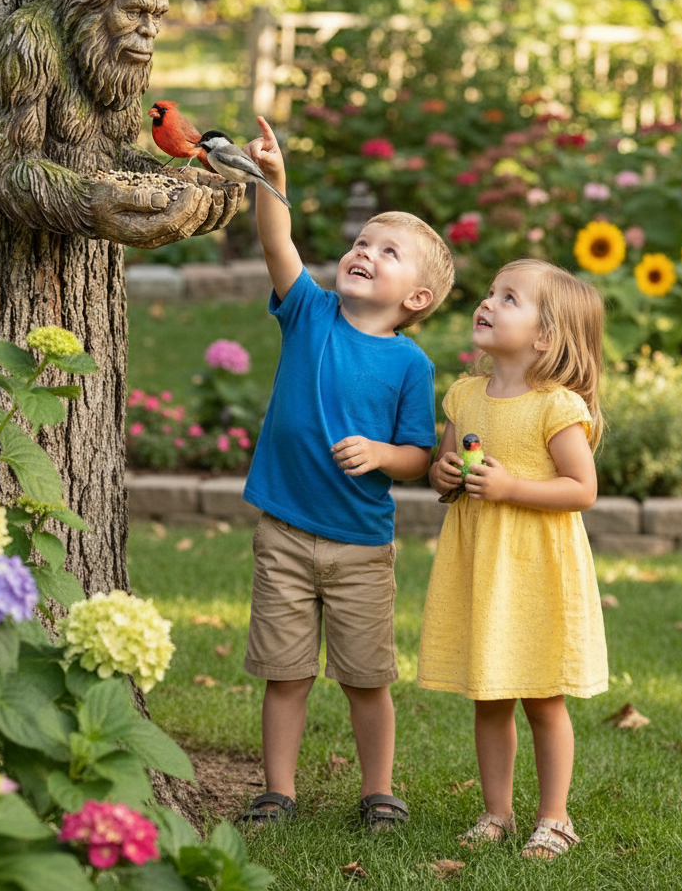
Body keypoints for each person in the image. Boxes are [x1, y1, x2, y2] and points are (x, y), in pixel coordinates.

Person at [238, 116, 455, 830]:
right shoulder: (310, 314)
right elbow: (278, 241)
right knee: (286, 672)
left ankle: (379, 790)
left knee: (367, 679)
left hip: (362, 547)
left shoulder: (410, 366)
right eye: (363, 242)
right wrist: (273, 180)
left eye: (387, 252)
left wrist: (381, 454)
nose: (364, 252)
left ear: (415, 299)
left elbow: (420, 458)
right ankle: (278, 791)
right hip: (286, 534)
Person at [417, 258, 608, 860]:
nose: (489, 303)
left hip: (535, 574)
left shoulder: (556, 407)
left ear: (544, 336)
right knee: (490, 694)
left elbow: (582, 490)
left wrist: (512, 488)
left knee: (543, 699)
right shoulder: (465, 395)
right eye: (491, 293)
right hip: (483, 568)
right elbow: (446, 475)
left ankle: (555, 818)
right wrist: (442, 473)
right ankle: (495, 812)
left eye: (509, 298)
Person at [0, 0, 241, 247]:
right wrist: (88, 204)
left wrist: (168, 178)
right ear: (91, 3)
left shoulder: (125, 60)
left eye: (157, 15)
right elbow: (8, 170)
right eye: (133, 11)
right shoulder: (30, 41)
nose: (149, 31)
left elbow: (114, 153)